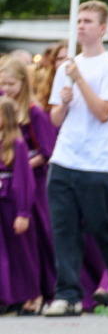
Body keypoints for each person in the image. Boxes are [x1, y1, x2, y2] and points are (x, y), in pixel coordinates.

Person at [42, 1, 108, 316]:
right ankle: (67, 294)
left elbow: (104, 113)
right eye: (79, 20)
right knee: (64, 229)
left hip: (97, 162)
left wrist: (80, 81)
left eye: (88, 21)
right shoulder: (66, 68)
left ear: (102, 28)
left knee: (101, 226)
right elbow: (55, 119)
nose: (81, 26)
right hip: (64, 158)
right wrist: (64, 102)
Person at [1, 57, 55, 314]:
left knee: (36, 236)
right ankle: (14, 292)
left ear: (23, 82)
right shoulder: (4, 106)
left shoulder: (34, 111)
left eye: (11, 84)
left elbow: (47, 150)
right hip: (9, 184)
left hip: (33, 180)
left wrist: (18, 167)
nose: (6, 89)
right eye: (2, 84)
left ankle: (41, 291)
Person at [0, 96, 40, 313]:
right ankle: (8, 296)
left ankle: (32, 296)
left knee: (21, 250)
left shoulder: (17, 144)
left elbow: (24, 179)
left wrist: (23, 211)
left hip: (11, 202)